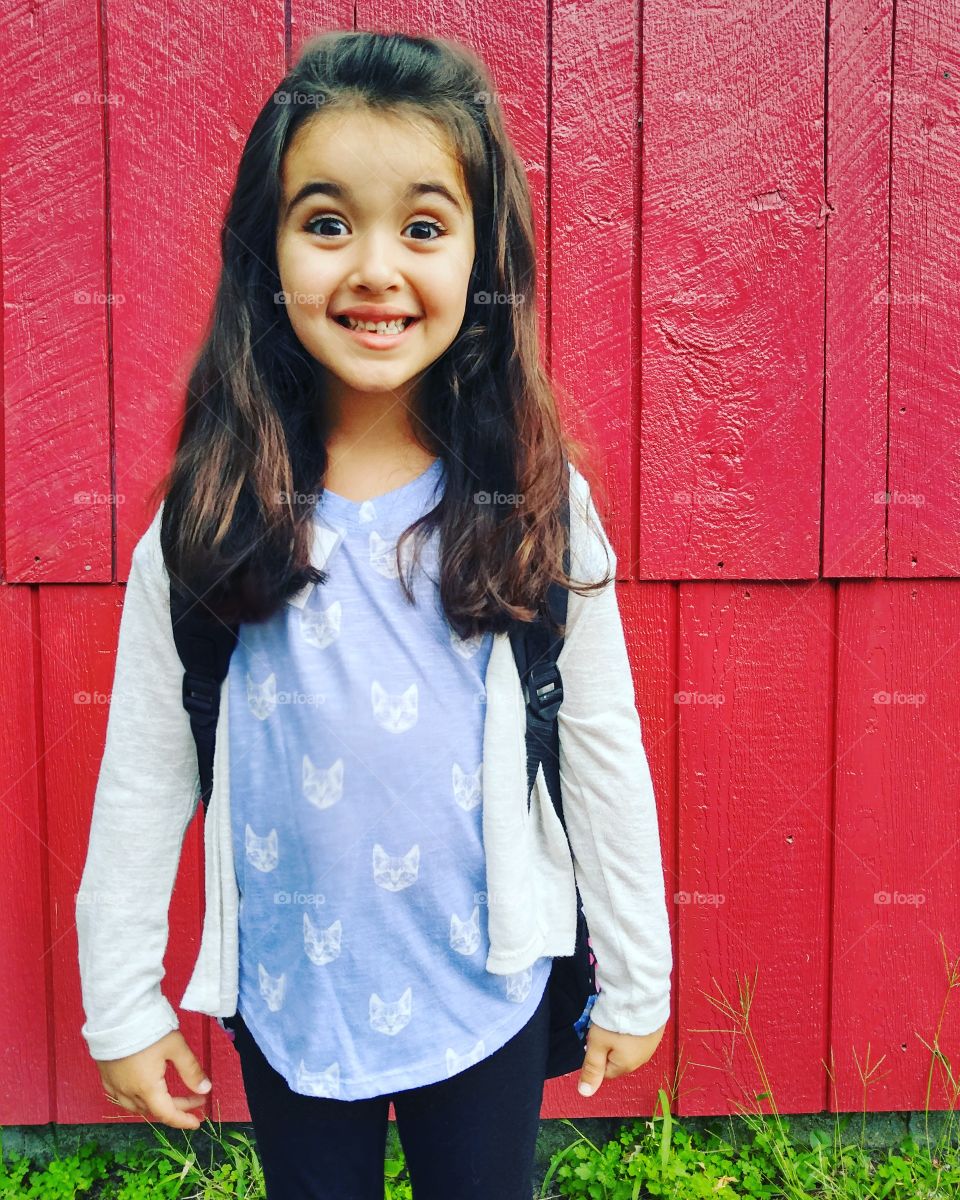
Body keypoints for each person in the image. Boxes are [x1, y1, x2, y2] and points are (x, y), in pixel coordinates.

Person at [75, 29, 673, 1200]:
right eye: (328, 221)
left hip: (488, 992)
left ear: (480, 256)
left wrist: (638, 975)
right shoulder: (212, 516)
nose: (376, 270)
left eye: (424, 226)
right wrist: (119, 1000)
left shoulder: (534, 507)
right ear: (269, 251)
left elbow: (600, 747)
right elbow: (146, 769)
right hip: (294, 1002)